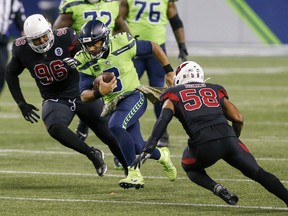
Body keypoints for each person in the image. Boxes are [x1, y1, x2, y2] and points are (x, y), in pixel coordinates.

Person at [133, 61, 288, 206]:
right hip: (229, 138)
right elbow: (238, 118)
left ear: (180, 79)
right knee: (259, 173)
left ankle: (217, 188)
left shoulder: (174, 93)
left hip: (204, 144)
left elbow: (163, 119)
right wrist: (233, 138)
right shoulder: (214, 89)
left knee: (189, 167)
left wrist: (149, 147)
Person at [5, 14, 128, 177]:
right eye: (36, 40)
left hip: (80, 92)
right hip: (55, 98)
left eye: (44, 37)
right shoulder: (22, 50)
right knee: (55, 127)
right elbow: (10, 73)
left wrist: (79, 62)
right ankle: (92, 154)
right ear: (28, 40)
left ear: (50, 30)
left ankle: (131, 170)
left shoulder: (66, 37)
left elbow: (90, 57)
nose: (42, 42)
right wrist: (21, 103)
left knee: (108, 135)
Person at [74, 19, 177, 189]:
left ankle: (134, 173)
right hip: (114, 104)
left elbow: (153, 46)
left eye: (95, 43)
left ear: (105, 39)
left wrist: (169, 70)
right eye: (87, 45)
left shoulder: (122, 43)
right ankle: (162, 155)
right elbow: (84, 96)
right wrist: (100, 92)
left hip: (134, 95)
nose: (91, 48)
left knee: (115, 125)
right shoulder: (83, 59)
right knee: (136, 146)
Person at [53, 0, 129, 143]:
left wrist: (129, 43)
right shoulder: (72, 5)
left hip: (109, 55)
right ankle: (86, 121)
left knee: (114, 94)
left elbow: (120, 24)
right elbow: (57, 33)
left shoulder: (112, 3)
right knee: (85, 92)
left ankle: (90, 124)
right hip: (84, 57)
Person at [119, 0, 188, 147]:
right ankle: (124, 129)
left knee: (159, 93)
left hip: (156, 52)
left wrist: (181, 44)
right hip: (133, 49)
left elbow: (175, 20)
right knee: (126, 91)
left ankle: (162, 132)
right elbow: (118, 20)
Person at [0, 0, 26, 97]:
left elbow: (21, 22)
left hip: (2, 41)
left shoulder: (13, 2)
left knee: (2, 70)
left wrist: (26, 33)